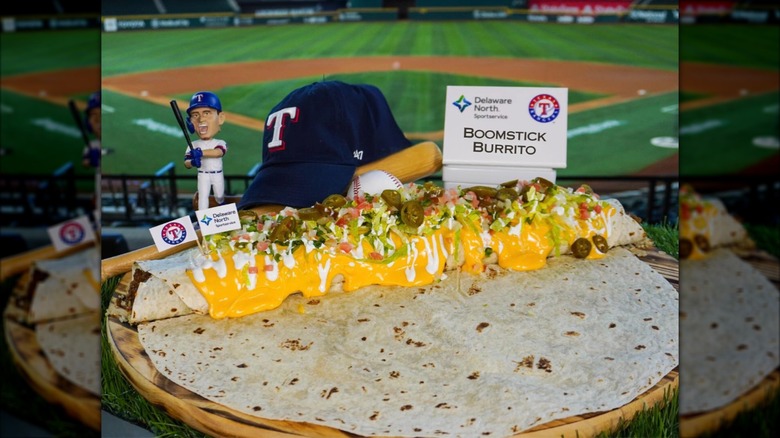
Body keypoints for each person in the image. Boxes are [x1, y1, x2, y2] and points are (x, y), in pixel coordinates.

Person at [183, 91, 227, 211]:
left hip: (217, 174)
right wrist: (192, 162)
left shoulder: (219, 142)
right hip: (203, 175)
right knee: (202, 198)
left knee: (219, 196)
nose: (201, 119)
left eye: (207, 113)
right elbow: (186, 162)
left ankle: (223, 215)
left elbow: (218, 152)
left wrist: (200, 153)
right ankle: (203, 219)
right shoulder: (193, 145)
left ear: (220, 118)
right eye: (195, 115)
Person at [82, 92, 101, 168]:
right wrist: (90, 160)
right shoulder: (91, 146)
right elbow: (85, 163)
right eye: (93, 115)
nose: (98, 120)